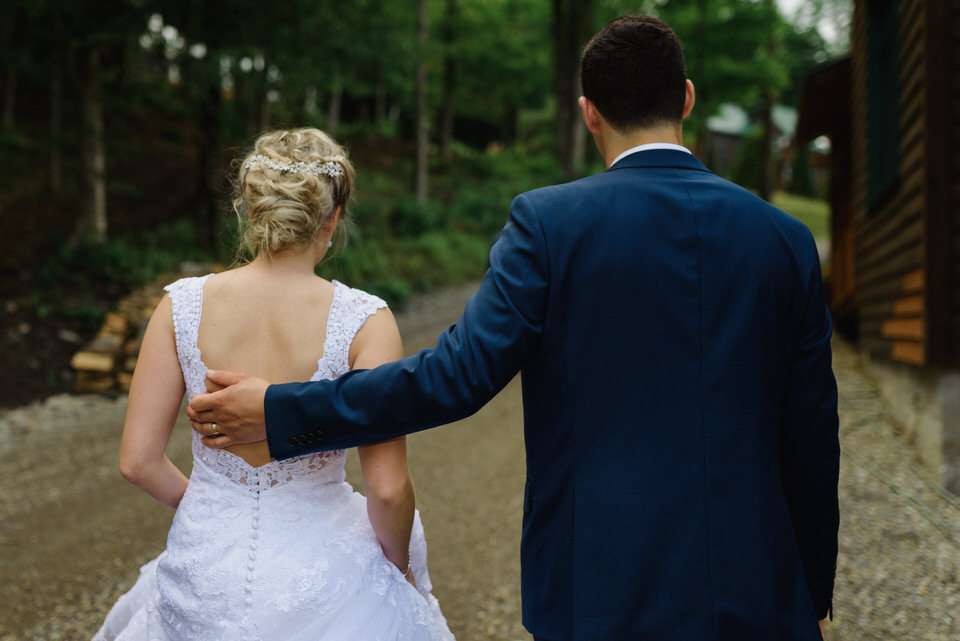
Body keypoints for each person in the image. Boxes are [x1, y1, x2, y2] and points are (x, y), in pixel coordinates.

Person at [188, 16, 839, 641]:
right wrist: (809, 593)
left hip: (599, 592)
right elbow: (812, 436)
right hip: (759, 591)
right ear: (688, 100)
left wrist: (280, 408)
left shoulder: (551, 225)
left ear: (590, 113)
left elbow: (450, 380)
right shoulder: (785, 241)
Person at [92, 128, 455, 641]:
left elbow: (137, 462)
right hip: (325, 569)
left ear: (250, 209)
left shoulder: (181, 305)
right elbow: (390, 490)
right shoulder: (365, 320)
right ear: (333, 218)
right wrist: (398, 571)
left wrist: (212, 505)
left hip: (205, 563)